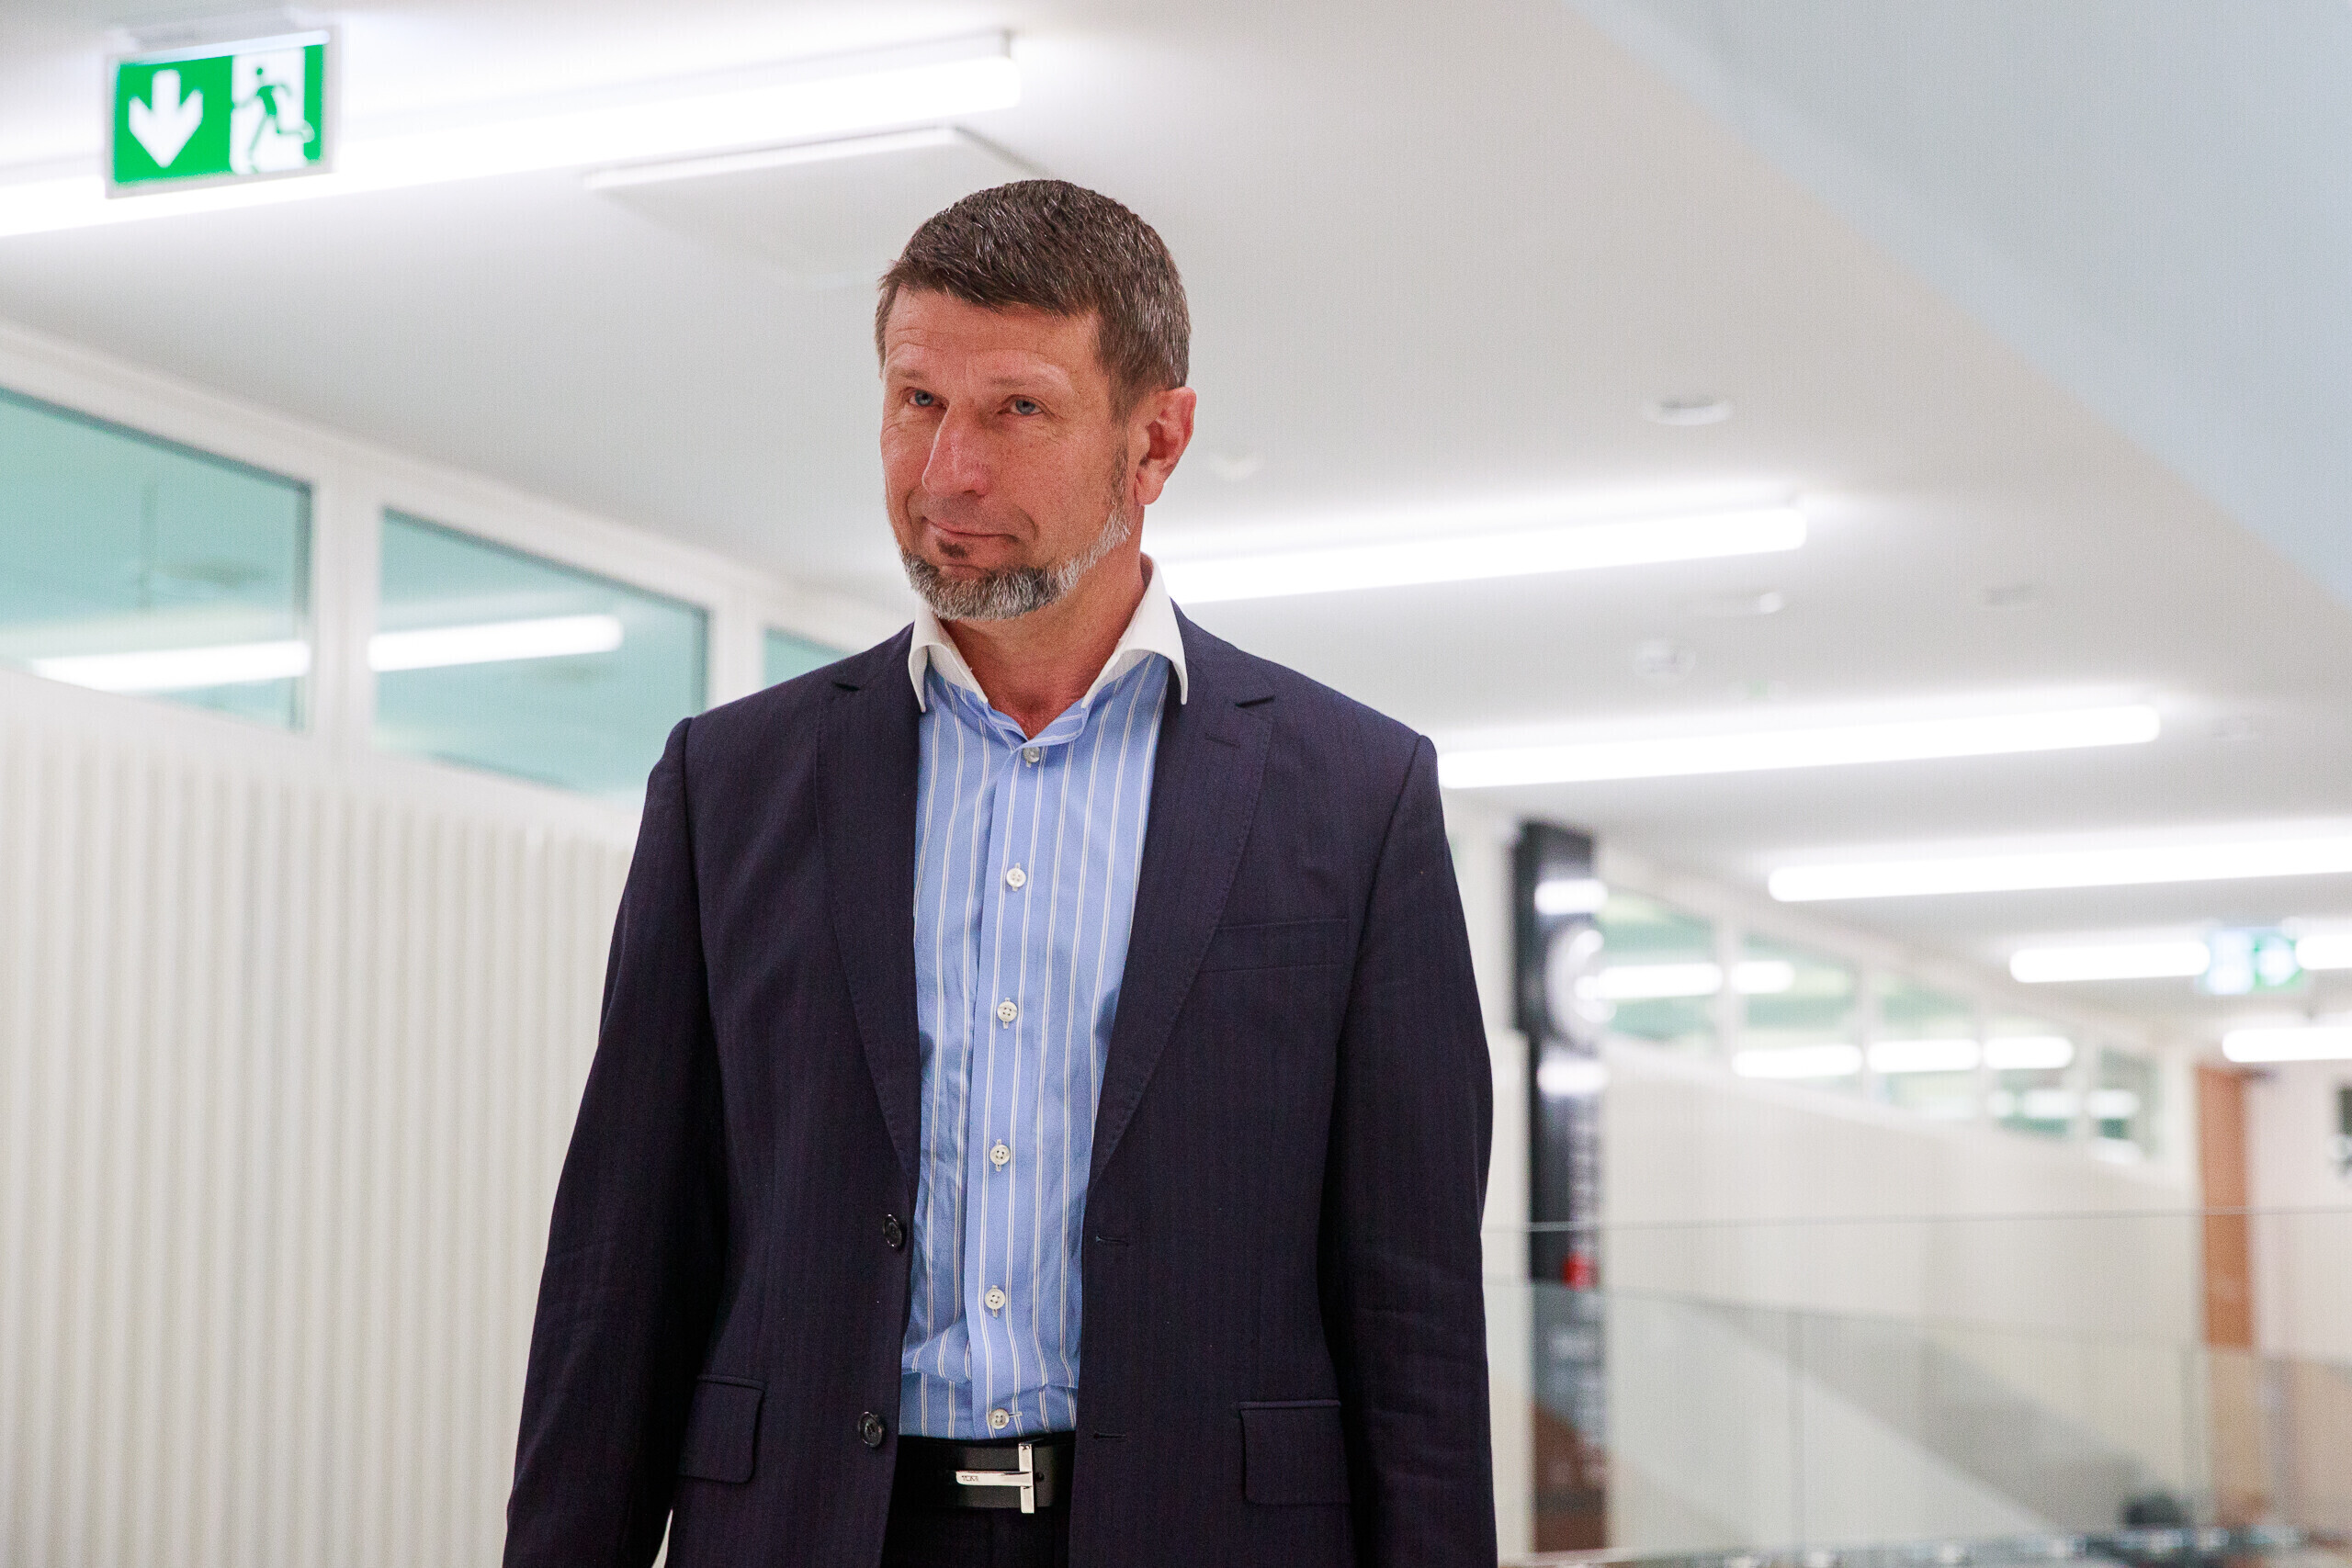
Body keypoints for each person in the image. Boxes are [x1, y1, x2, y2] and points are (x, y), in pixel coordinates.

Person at [503, 180, 1495, 1568]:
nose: (945, 472)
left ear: (1157, 442)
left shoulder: (1354, 795)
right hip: (808, 1530)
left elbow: (1416, 1312)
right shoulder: (730, 785)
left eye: (1017, 410)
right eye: (917, 401)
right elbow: (623, 1260)